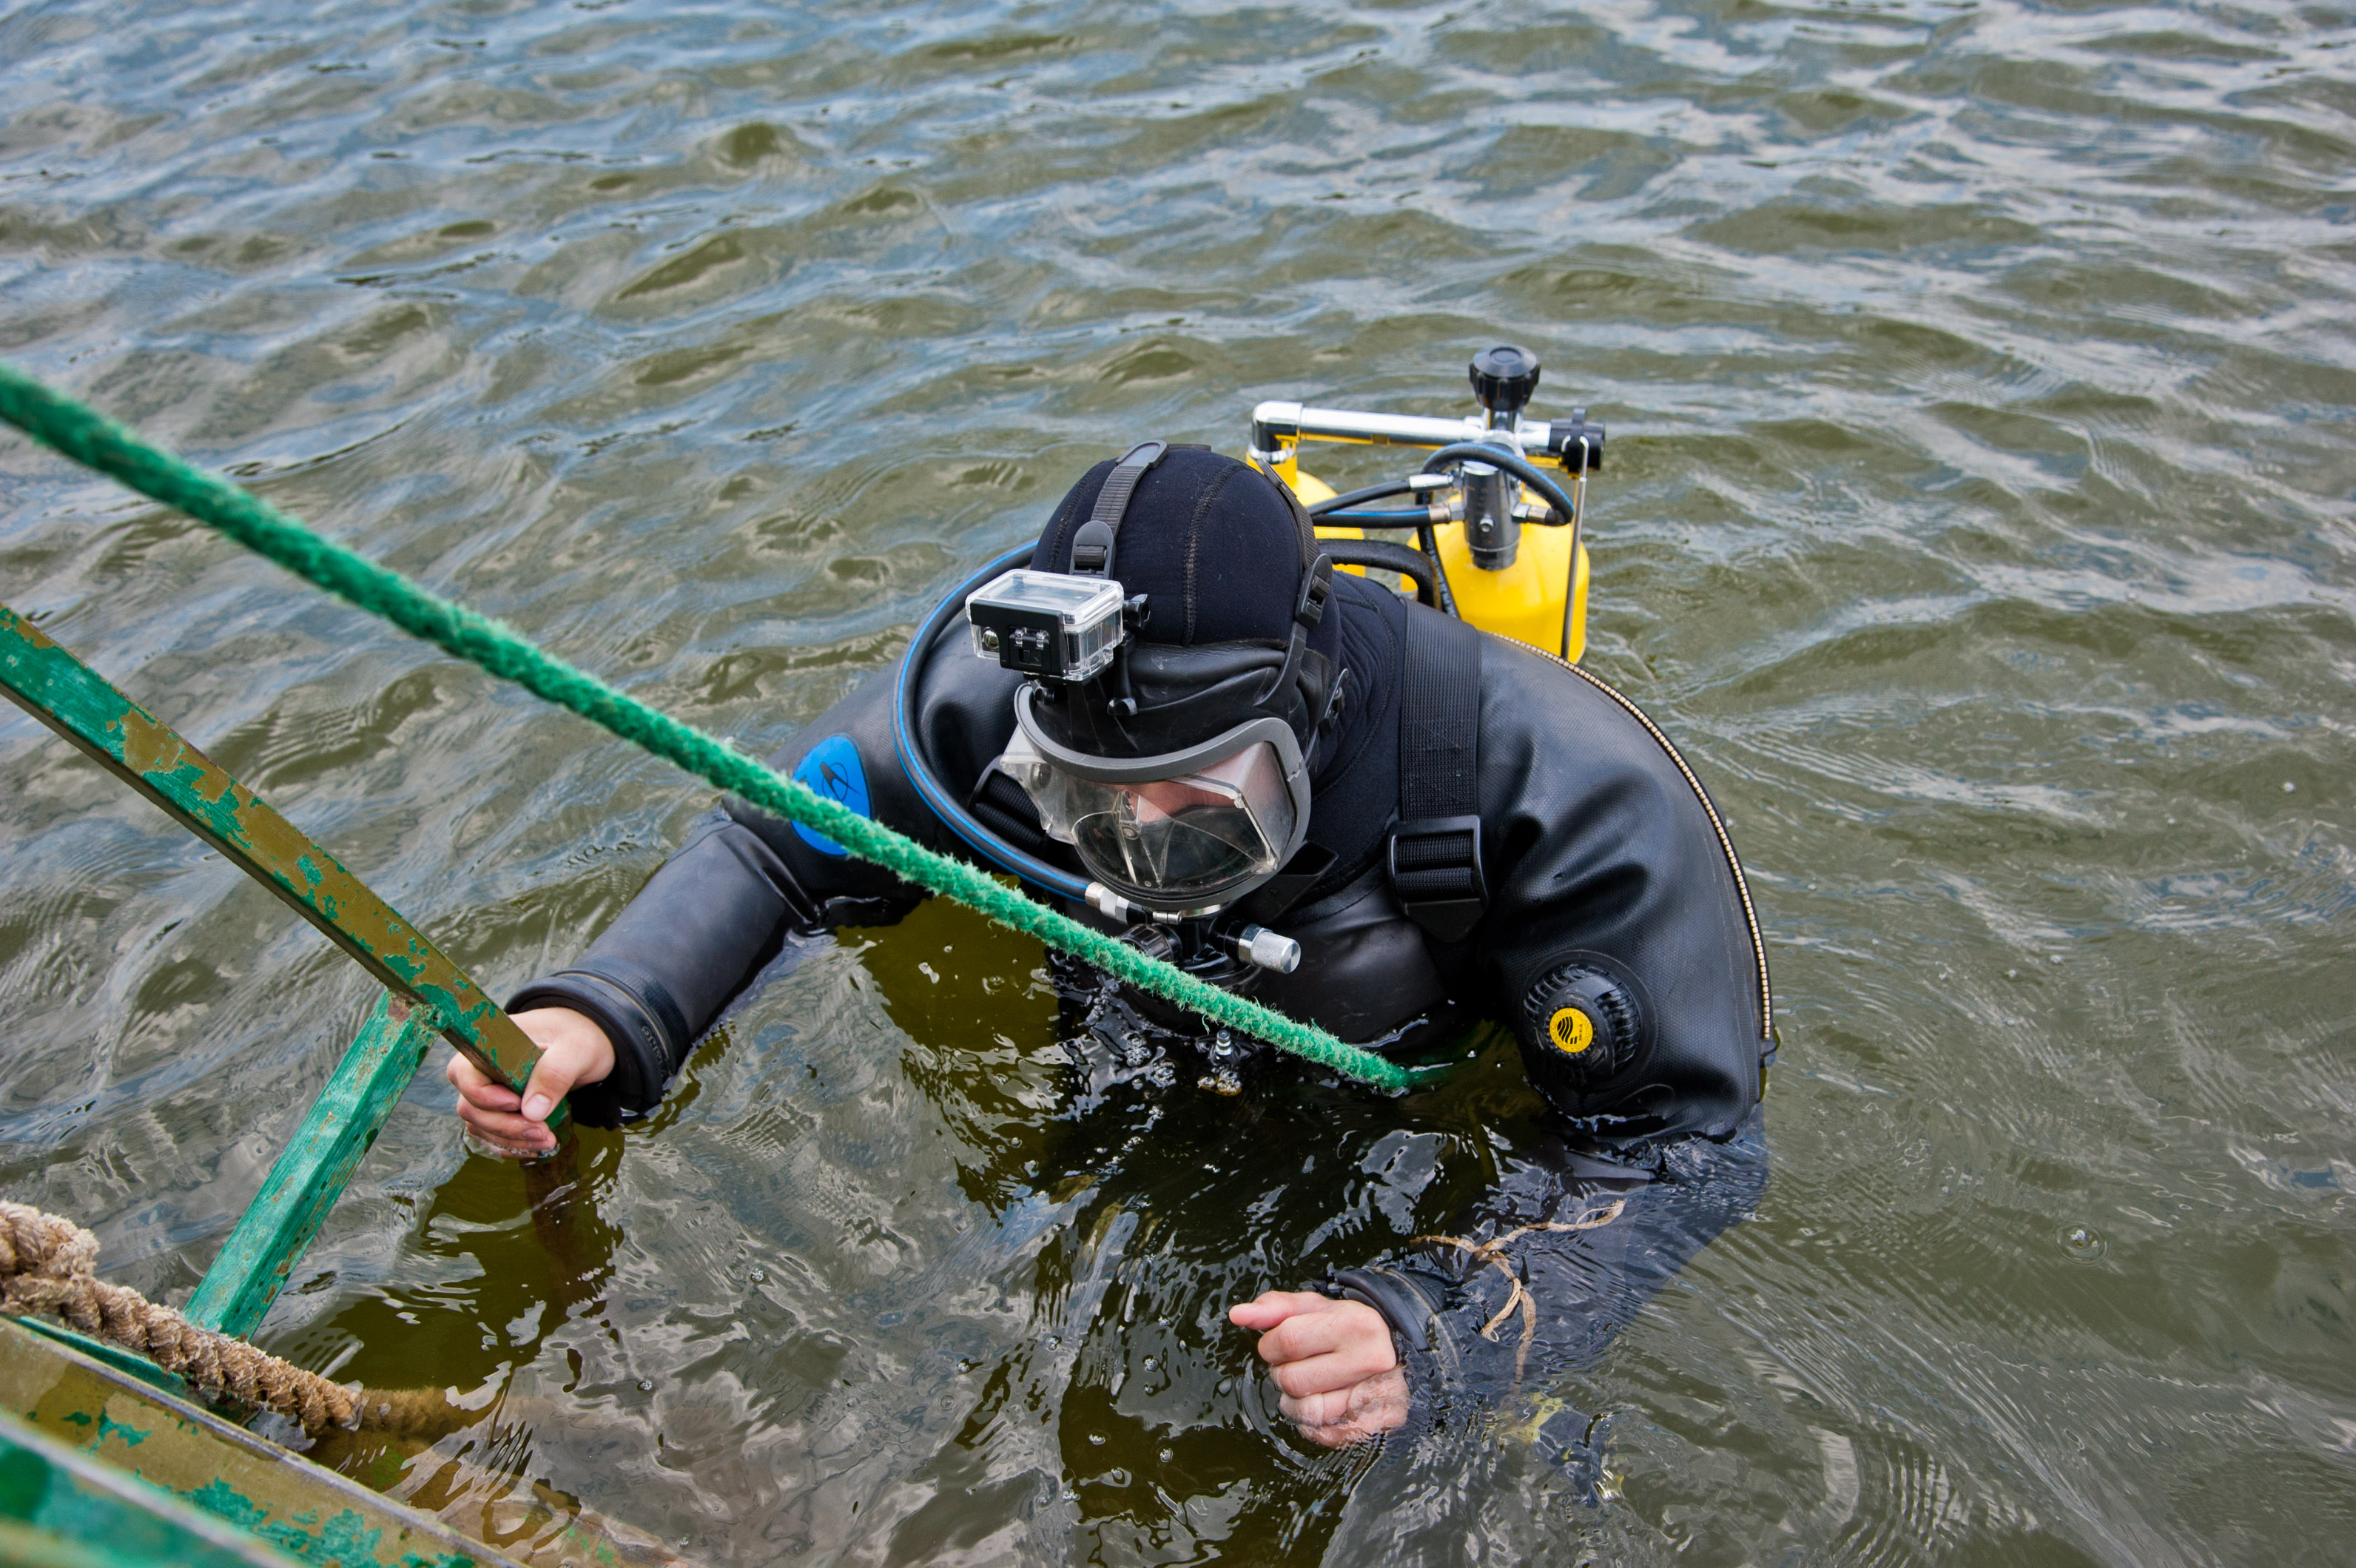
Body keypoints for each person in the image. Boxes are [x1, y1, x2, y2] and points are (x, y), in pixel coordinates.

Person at [449, 442, 1773, 1450]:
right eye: (1087, 806)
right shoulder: (974, 702)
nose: (1139, 854)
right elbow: (776, 844)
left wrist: (1430, 1331)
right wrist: (610, 1011)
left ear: (1304, 717)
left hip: (1389, 1092)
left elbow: (1682, 1149)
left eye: (1195, 809)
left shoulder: (1571, 795)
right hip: (1125, 1046)